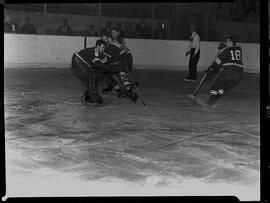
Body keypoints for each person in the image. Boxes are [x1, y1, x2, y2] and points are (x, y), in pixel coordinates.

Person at [71, 39, 122, 104]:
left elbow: (107, 62)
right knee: (91, 74)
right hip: (77, 60)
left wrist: (116, 64)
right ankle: (92, 94)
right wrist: (112, 69)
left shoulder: (100, 54)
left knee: (96, 74)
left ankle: (89, 93)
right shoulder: (94, 53)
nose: (103, 49)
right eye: (102, 47)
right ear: (97, 47)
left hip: (84, 64)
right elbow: (101, 65)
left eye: (104, 48)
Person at [198, 36, 244, 108]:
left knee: (214, 86)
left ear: (231, 42)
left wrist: (211, 68)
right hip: (239, 73)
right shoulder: (239, 49)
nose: (226, 43)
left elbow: (217, 61)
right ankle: (215, 99)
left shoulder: (226, 49)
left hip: (229, 71)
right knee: (223, 88)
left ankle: (211, 102)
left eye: (227, 41)